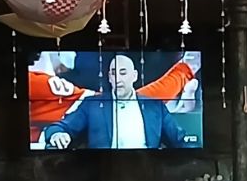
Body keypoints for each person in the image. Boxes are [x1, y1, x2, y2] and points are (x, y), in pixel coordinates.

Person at [28, 53, 200, 142]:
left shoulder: (33, 83)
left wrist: (185, 70)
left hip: (83, 109)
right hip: (67, 131)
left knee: (143, 103)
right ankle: (180, 98)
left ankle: (186, 70)